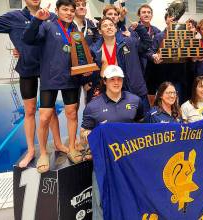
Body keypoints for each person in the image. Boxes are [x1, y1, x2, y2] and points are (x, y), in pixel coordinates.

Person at [0, 0, 68, 168]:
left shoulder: (51, 17)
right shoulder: (13, 17)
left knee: (51, 109)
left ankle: (58, 143)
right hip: (27, 69)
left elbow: (65, 37)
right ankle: (31, 150)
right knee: (29, 110)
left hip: (48, 69)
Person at [23, 0, 84, 172]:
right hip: (50, 78)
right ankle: (43, 153)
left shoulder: (75, 30)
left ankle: (72, 147)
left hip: (71, 78)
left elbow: (80, 54)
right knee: (44, 117)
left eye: (72, 10)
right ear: (57, 10)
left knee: (71, 114)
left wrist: (84, 68)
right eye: (65, 9)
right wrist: (37, 19)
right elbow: (27, 39)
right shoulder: (47, 26)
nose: (69, 13)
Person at [80, 65, 144, 220]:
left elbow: (141, 126)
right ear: (105, 81)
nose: (116, 82)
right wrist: (89, 135)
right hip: (104, 161)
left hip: (130, 161)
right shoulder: (92, 106)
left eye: (119, 79)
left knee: (131, 199)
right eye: (112, 79)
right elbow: (83, 134)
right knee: (101, 200)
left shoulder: (135, 101)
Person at [90, 17, 152, 112]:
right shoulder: (94, 50)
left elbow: (146, 44)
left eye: (111, 25)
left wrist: (140, 28)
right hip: (108, 90)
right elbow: (91, 71)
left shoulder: (129, 42)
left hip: (132, 88)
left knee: (143, 121)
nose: (109, 27)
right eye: (105, 26)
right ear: (100, 31)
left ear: (115, 28)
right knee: (117, 122)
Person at [146, 13, 188, 104]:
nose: (173, 18)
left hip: (178, 78)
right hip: (162, 78)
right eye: (170, 17)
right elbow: (150, 52)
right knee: (162, 104)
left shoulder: (184, 36)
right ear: (166, 20)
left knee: (177, 105)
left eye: (175, 17)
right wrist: (154, 56)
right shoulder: (158, 36)